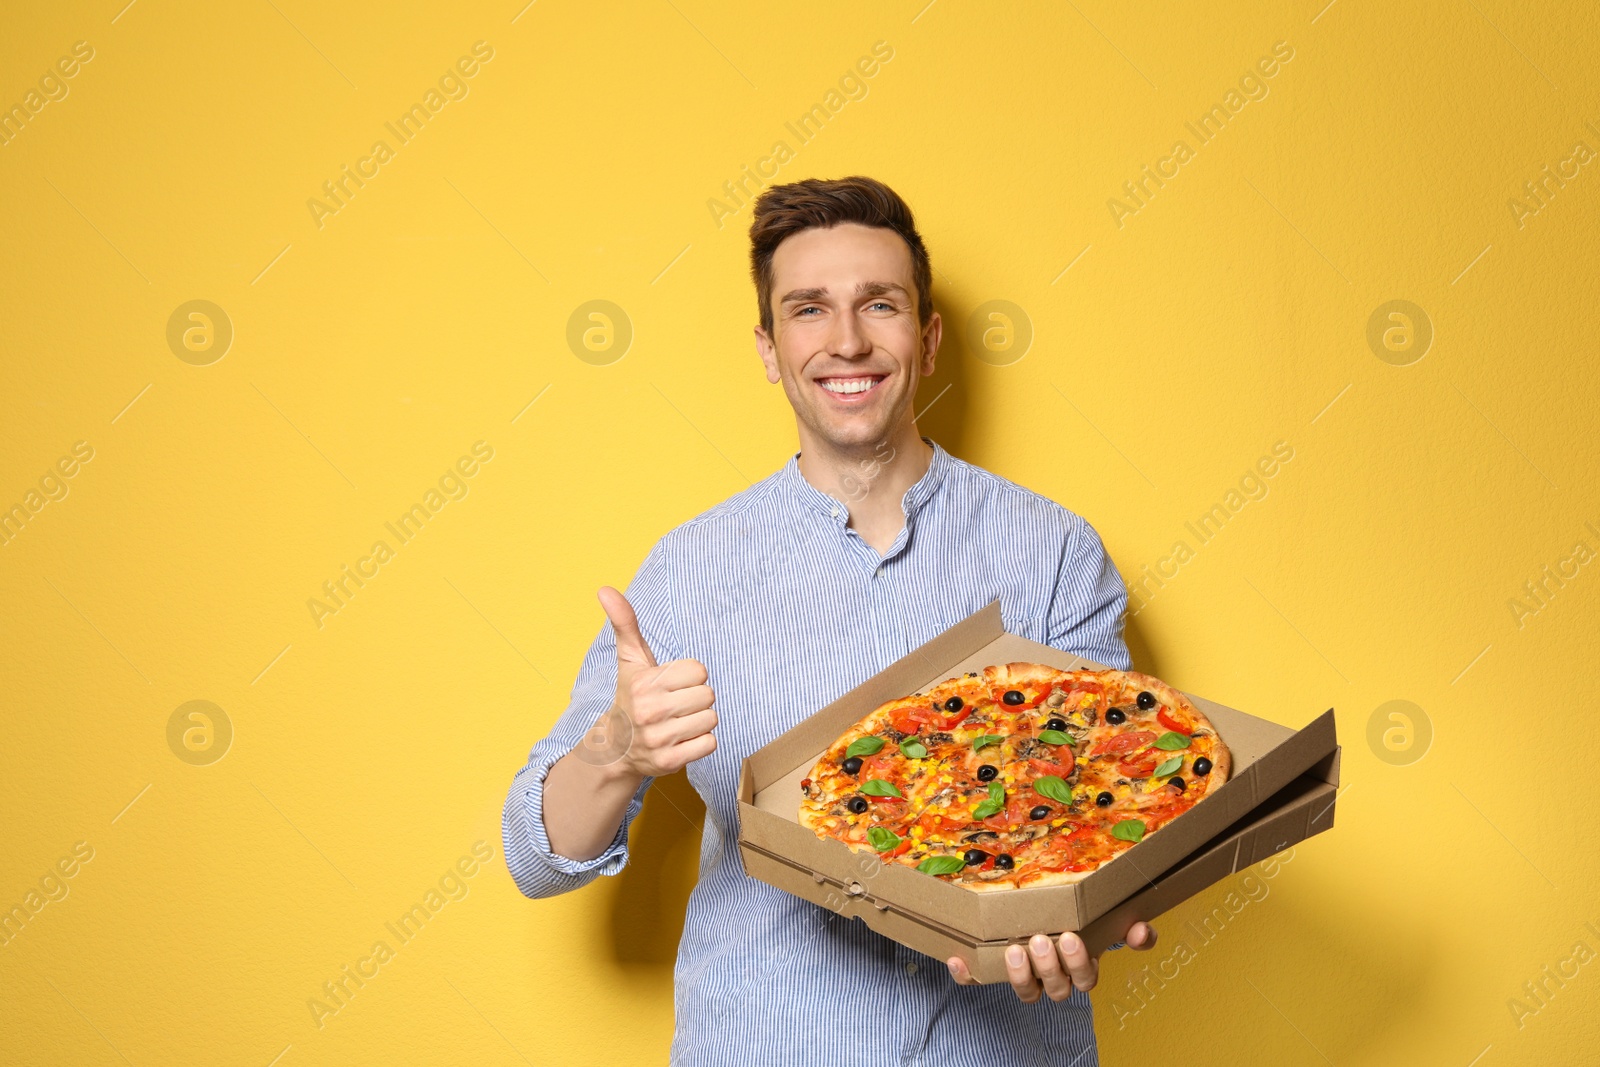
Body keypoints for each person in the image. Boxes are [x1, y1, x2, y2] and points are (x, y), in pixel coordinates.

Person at [502, 175, 1157, 1065]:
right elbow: (537, 858)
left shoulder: (1052, 552)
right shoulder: (692, 568)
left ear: (925, 339)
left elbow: (1115, 815)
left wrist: (1080, 920)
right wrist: (616, 749)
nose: (846, 340)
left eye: (878, 304)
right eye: (808, 310)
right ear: (770, 349)